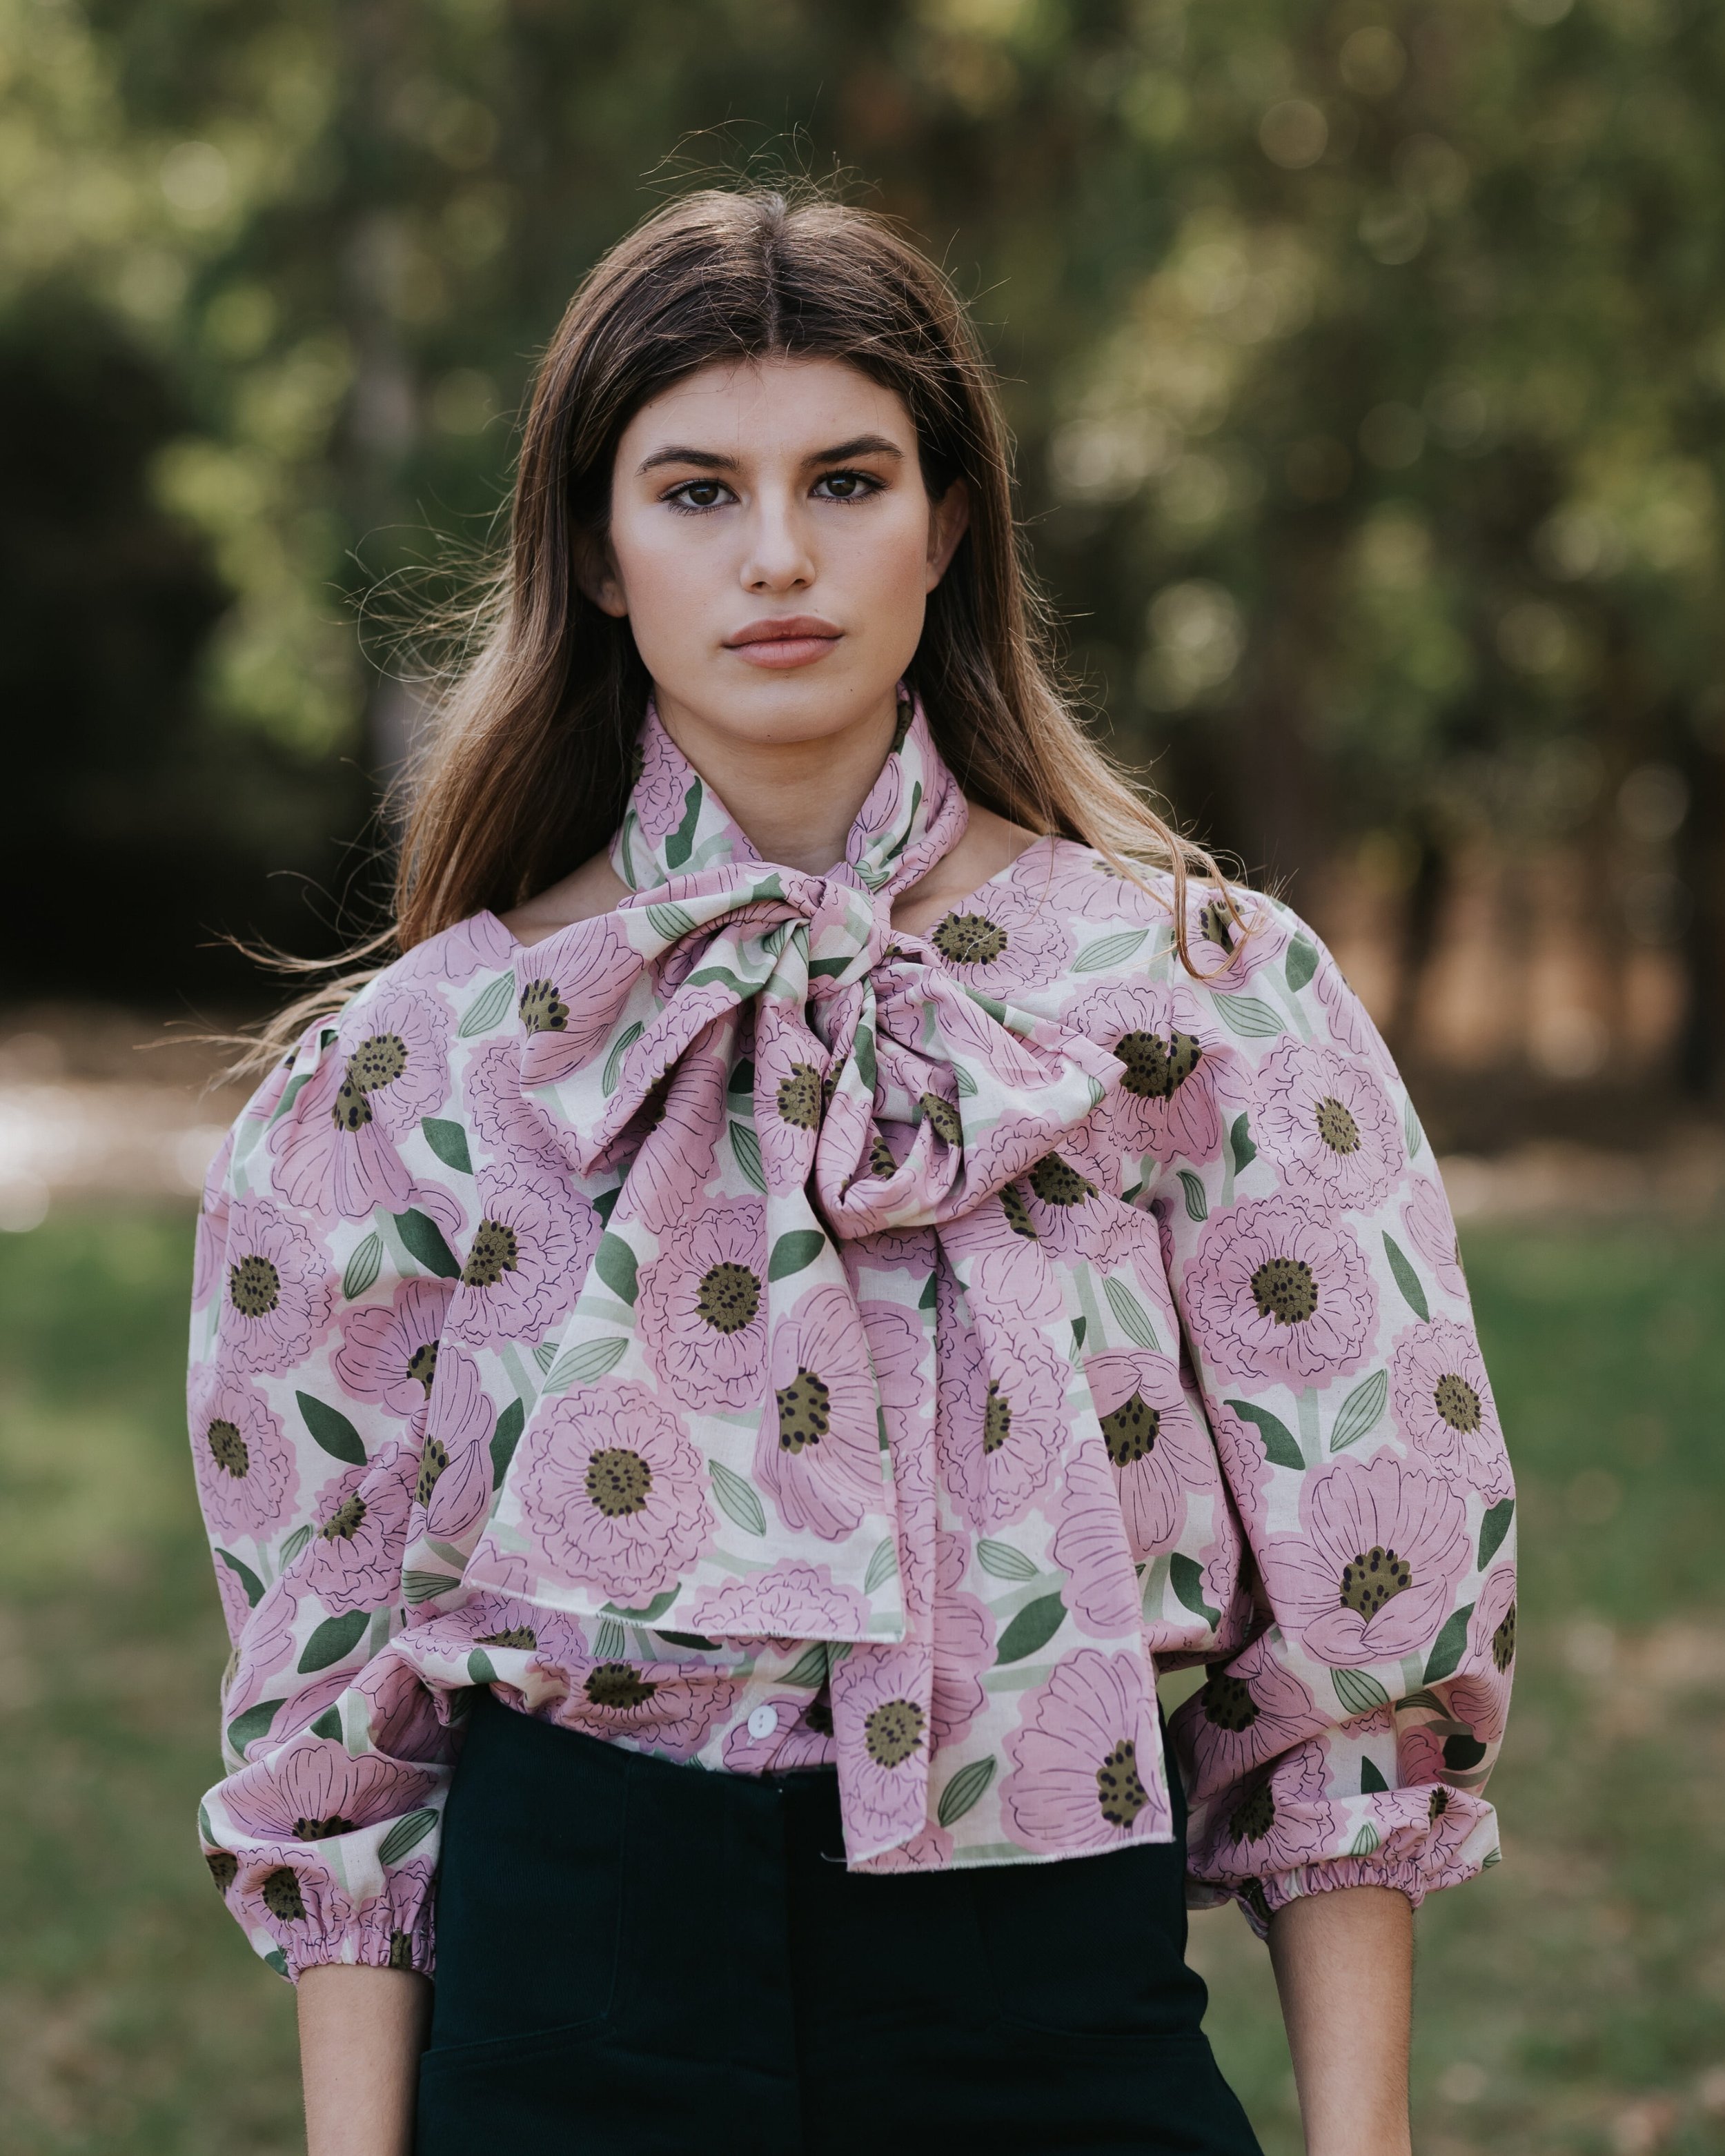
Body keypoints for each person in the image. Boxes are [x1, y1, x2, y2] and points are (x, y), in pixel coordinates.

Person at [187, 186, 1516, 2156]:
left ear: (951, 521)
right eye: (697, 491)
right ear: (599, 550)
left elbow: (1357, 1624)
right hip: (563, 2028)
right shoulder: (409, 1075)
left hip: (1049, 2014)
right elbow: (335, 1712)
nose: (780, 555)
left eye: (849, 477)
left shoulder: (1204, 1008)